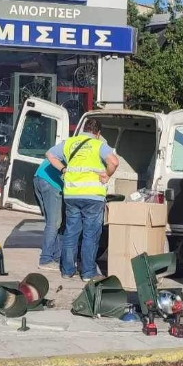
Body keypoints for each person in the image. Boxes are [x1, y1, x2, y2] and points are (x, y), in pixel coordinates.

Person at [46, 119, 120, 282]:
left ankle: (67, 271)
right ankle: (88, 273)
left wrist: (63, 169)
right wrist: (107, 175)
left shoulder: (70, 143)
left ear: (83, 130)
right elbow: (114, 162)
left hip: (72, 195)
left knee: (71, 233)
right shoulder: (98, 145)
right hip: (93, 196)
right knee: (90, 235)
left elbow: (50, 154)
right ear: (98, 133)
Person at [34, 159, 64, 271]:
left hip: (39, 177)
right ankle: (45, 259)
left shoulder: (69, 144)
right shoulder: (86, 150)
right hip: (51, 181)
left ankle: (57, 258)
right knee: (54, 223)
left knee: (53, 222)